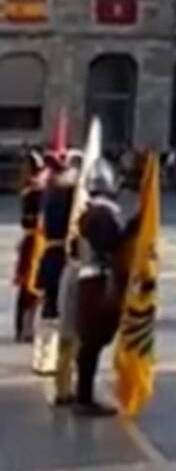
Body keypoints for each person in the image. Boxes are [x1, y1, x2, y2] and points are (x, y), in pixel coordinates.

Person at [71, 161, 140, 416]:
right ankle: (83, 397)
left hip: (93, 281)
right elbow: (111, 244)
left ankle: (83, 394)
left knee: (91, 343)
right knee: (92, 342)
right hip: (97, 283)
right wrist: (133, 227)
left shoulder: (93, 213)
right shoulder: (100, 215)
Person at [33, 153, 79, 376]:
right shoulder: (65, 197)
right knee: (58, 311)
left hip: (51, 254)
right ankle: (51, 358)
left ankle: (43, 357)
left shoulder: (50, 193)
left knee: (49, 309)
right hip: (60, 257)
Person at [12, 152, 46, 344]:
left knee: (33, 287)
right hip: (32, 241)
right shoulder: (32, 191)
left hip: (37, 241)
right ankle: (24, 327)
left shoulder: (36, 190)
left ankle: (28, 326)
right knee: (27, 286)